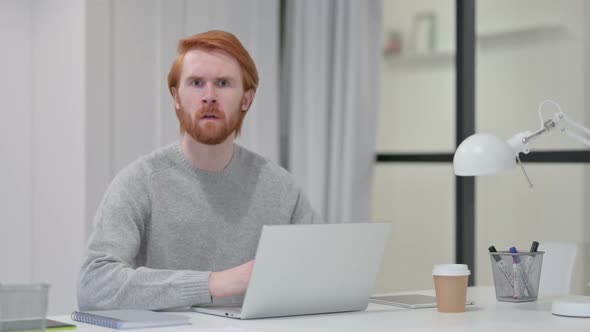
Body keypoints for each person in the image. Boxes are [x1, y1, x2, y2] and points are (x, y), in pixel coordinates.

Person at [77, 30, 321, 310]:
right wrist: (211, 284)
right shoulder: (140, 182)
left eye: (223, 83)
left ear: (247, 98)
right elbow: (93, 286)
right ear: (176, 97)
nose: (209, 96)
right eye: (195, 83)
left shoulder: (280, 188)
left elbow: (322, 270)